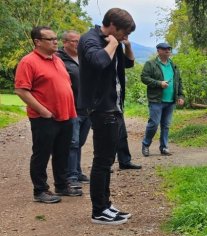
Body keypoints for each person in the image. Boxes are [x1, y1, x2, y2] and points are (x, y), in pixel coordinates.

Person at [79, 8, 136, 224]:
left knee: (108, 159)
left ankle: (106, 204)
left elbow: (128, 63)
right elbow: (99, 62)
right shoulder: (90, 39)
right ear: (112, 25)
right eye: (124, 33)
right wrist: (113, 43)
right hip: (100, 108)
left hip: (113, 107)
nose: (125, 37)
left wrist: (126, 46)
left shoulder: (117, 42)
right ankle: (98, 210)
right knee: (102, 161)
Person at [15, 26, 82, 204]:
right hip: (44, 117)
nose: (55, 42)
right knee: (41, 153)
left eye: (55, 38)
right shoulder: (28, 62)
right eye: (50, 39)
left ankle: (61, 184)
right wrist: (43, 110)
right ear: (37, 42)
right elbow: (21, 90)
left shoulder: (57, 59)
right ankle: (40, 190)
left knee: (62, 152)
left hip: (66, 114)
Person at [56, 30, 91, 189]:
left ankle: (76, 170)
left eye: (79, 41)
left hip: (88, 107)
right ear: (65, 43)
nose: (77, 44)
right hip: (72, 108)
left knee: (80, 142)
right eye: (74, 41)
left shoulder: (84, 57)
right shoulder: (58, 59)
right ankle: (70, 176)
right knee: (73, 143)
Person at [140, 42, 185, 157]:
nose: (167, 51)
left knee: (166, 125)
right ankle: (145, 144)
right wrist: (159, 83)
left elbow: (178, 82)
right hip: (156, 100)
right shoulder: (151, 64)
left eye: (169, 49)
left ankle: (164, 147)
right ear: (158, 51)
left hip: (170, 101)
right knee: (154, 124)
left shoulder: (173, 65)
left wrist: (180, 96)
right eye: (165, 49)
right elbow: (144, 78)